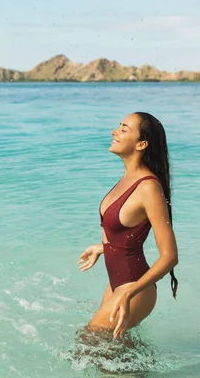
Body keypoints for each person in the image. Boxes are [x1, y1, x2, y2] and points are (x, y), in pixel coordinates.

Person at [77, 112, 179, 339]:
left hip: (135, 287)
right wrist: (104, 247)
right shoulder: (127, 180)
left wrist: (130, 292)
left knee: (88, 340)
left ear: (142, 144)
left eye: (124, 129)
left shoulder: (148, 188)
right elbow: (129, 232)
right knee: (111, 351)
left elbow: (170, 256)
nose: (114, 132)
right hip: (118, 283)